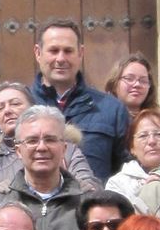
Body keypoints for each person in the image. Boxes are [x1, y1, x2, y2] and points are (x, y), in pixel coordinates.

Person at [28, 18, 128, 181]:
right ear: (38, 53)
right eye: (53, 51)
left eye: (68, 51)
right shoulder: (18, 108)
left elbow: (127, 172)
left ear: (80, 53)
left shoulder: (111, 110)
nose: (61, 58)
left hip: (92, 203)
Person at [0, 80, 97, 201]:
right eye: (0, 108)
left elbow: (89, 185)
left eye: (15, 103)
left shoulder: (67, 149)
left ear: (32, 109)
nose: (7, 111)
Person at [106, 106, 160, 210]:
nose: (151, 141)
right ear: (132, 147)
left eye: (158, 134)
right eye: (143, 136)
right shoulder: (118, 184)